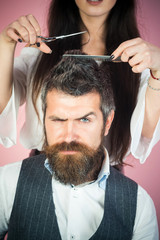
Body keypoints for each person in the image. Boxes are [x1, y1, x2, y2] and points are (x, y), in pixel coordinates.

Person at [0, 52, 158, 240]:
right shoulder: (7, 183)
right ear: (44, 121)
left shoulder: (140, 205)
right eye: (58, 119)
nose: (69, 136)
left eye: (84, 119)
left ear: (107, 122)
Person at [0, 0, 160, 166]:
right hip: (40, 170)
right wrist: (5, 43)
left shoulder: (138, 59)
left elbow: (145, 133)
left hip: (104, 178)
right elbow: (2, 106)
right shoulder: (40, 50)